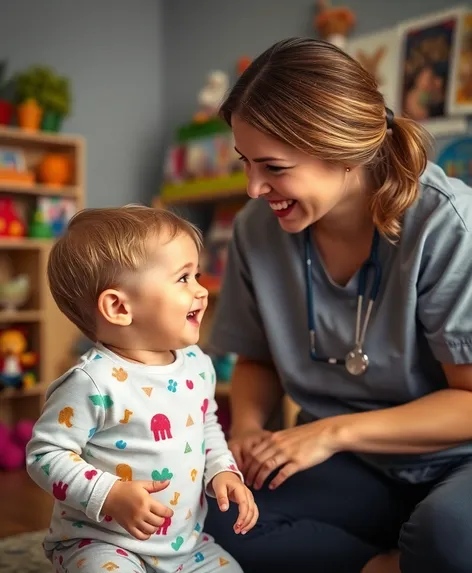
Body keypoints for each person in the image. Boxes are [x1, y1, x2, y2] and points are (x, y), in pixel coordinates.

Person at [203, 37, 472, 573]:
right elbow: (254, 355)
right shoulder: (258, 231)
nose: (254, 188)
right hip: (351, 467)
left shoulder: (447, 224)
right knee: (209, 515)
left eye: (273, 167)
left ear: (344, 149)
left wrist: (329, 432)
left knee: (448, 539)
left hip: (454, 463)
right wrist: (249, 430)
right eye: (245, 163)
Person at [26, 206, 258, 573]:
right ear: (119, 306)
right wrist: (109, 494)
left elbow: (206, 426)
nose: (201, 290)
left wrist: (223, 471)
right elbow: (45, 455)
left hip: (185, 545)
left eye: (196, 275)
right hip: (102, 542)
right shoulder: (91, 381)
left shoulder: (197, 363)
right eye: (183, 278)